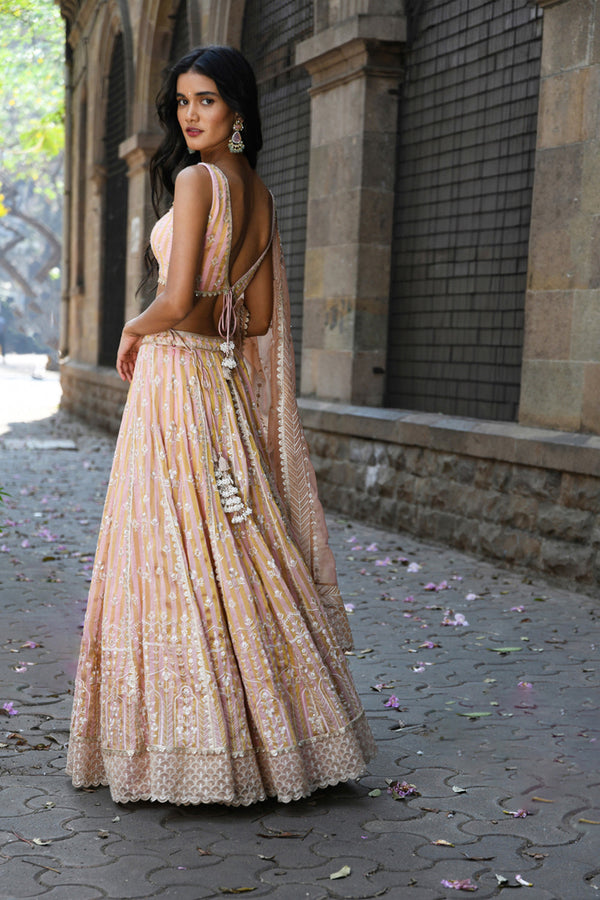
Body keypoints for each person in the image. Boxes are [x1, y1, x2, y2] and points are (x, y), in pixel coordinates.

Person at [66, 45, 376, 806]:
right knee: (232, 544)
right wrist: (197, 316)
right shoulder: (260, 193)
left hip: (175, 383)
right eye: (180, 103)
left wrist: (135, 328)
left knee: (172, 551)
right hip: (222, 387)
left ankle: (195, 744)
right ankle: (284, 732)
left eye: (205, 100)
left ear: (237, 107)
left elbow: (175, 301)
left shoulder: (197, 180)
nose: (190, 115)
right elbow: (258, 316)